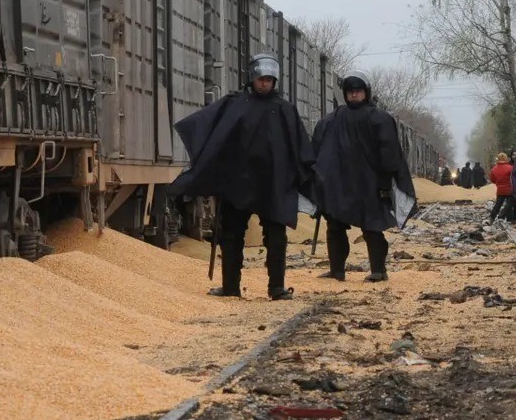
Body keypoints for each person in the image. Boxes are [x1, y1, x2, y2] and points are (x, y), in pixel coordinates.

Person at [169, 53, 315, 301]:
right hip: (238, 182)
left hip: (273, 184)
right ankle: (230, 287)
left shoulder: (284, 110)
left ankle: (277, 288)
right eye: (261, 79)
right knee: (231, 234)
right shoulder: (234, 104)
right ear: (252, 77)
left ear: (275, 80)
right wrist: (214, 167)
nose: (265, 83)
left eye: (269, 79)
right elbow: (214, 134)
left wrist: (301, 177)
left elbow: (298, 147)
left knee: (276, 237)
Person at [311, 70, 417, 283]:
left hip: (369, 183)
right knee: (335, 226)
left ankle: (378, 270)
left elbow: (389, 152)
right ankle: (337, 270)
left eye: (358, 91)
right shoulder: (331, 120)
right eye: (350, 92)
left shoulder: (379, 119)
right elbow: (317, 150)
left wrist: (385, 181)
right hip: (338, 184)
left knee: (372, 226)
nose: (354, 95)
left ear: (366, 93)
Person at [488, 153, 513, 223]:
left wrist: (498, 183)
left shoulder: (493, 169)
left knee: (498, 205)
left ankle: (492, 218)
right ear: (506, 158)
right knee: (509, 204)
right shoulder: (510, 168)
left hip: (500, 189)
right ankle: (509, 219)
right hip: (509, 189)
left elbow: (492, 180)